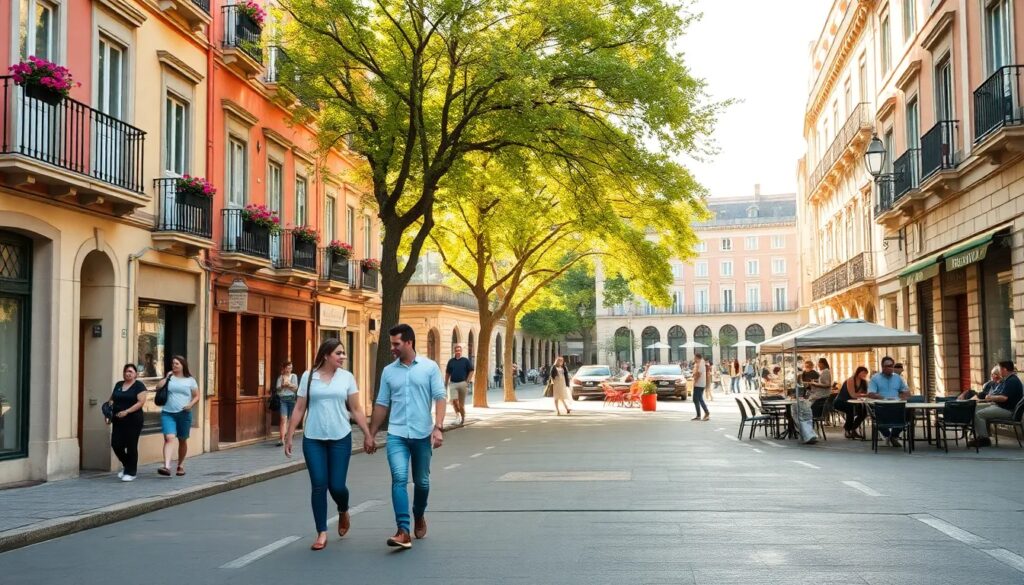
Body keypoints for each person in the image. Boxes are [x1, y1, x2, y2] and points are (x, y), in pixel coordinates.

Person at [284, 339, 371, 551]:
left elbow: (356, 408)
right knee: (319, 484)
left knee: (337, 486)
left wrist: (368, 434)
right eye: (338, 353)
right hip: (313, 437)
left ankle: (343, 509)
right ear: (326, 355)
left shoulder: (347, 377)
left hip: (340, 437)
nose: (343, 356)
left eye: (343, 353)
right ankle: (321, 531)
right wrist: (289, 434)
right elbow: (299, 407)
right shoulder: (308, 376)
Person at [366, 324, 446, 550]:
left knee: (422, 482)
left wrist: (438, 427)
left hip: (422, 434)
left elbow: (440, 397)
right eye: (392, 344)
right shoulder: (388, 371)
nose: (393, 348)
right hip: (397, 434)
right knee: (399, 479)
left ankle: (418, 514)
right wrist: (371, 434)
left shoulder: (429, 368)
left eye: (396, 344)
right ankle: (403, 530)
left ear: (409, 342)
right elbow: (382, 403)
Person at [154, 356, 199, 477]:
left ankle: (180, 465)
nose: (174, 365)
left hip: (184, 414)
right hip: (168, 413)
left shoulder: (190, 380)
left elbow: (196, 396)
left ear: (183, 365)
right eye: (173, 363)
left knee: (182, 440)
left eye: (177, 364)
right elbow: (158, 387)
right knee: (169, 438)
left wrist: (190, 405)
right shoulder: (170, 378)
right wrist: (167, 377)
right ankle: (167, 466)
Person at [107, 364, 148, 482]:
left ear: (135, 374)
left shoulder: (139, 386)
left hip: (133, 419)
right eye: (126, 371)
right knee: (116, 444)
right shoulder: (119, 384)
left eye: (130, 371)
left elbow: (141, 402)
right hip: (118, 419)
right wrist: (108, 413)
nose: (127, 373)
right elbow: (111, 399)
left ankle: (131, 472)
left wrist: (127, 411)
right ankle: (127, 465)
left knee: (131, 445)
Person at [969, 361, 1024, 448]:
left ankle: (984, 439)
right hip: (1001, 407)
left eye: (999, 369)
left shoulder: (1012, 381)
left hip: (1008, 410)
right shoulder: (1009, 379)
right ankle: (979, 436)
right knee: (976, 408)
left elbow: (1004, 398)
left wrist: (990, 397)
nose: (999, 372)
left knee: (979, 414)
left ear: (1004, 369)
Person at [867, 356, 910, 448]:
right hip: (882, 407)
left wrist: (902, 396)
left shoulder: (898, 378)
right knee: (878, 417)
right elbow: (870, 394)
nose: (890, 368)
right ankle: (888, 435)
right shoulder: (875, 378)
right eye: (888, 366)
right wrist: (882, 398)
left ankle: (893, 436)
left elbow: (907, 392)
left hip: (897, 406)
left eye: (891, 365)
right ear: (882, 367)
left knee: (909, 413)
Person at [835, 367, 869, 439]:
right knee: (850, 410)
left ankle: (853, 429)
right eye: (863, 373)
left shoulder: (864, 382)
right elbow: (852, 395)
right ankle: (847, 430)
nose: (864, 375)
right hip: (842, 401)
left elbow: (863, 393)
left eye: (866, 374)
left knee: (864, 412)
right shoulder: (851, 380)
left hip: (854, 402)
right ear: (858, 372)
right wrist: (866, 395)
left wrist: (866, 395)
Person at [445, 344, 474, 426]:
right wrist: (446, 383)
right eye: (456, 350)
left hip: (462, 383)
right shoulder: (451, 361)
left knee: (461, 404)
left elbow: (471, 370)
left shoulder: (465, 360)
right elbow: (447, 373)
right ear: (454, 351)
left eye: (459, 350)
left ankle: (463, 418)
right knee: (454, 401)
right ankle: (457, 416)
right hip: (453, 383)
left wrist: (467, 381)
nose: (458, 352)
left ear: (461, 351)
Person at [276, 360, 299, 447]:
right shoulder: (280, 377)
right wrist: (283, 385)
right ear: (284, 368)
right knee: (283, 419)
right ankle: (281, 439)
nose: (290, 369)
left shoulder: (294, 376)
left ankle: (288, 436)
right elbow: (278, 389)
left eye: (291, 367)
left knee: (290, 419)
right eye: (288, 367)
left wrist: (288, 385)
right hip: (283, 400)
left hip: (292, 399)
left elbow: (296, 388)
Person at [691, 352, 709, 421]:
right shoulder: (700, 363)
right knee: (696, 399)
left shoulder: (701, 363)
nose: (694, 359)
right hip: (700, 384)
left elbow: (699, 373)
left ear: (697, 357)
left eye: (695, 357)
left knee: (698, 399)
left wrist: (695, 381)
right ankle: (699, 415)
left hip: (699, 384)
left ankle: (706, 412)